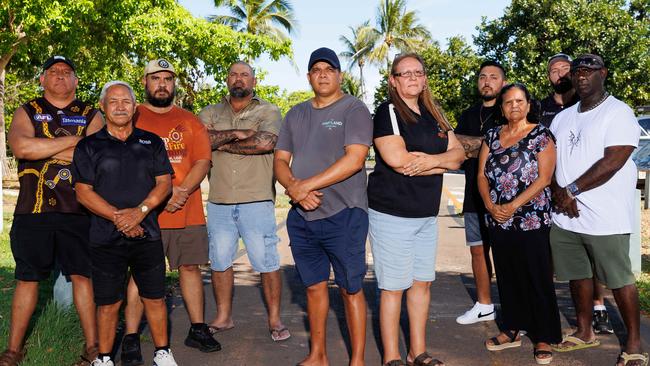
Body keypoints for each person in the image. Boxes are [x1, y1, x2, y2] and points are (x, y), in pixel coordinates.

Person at [274, 47, 372, 366]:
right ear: (308, 77)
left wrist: (305, 186)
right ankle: (318, 355)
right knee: (314, 288)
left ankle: (356, 360)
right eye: (316, 69)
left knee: (350, 289)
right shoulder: (295, 114)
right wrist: (294, 189)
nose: (323, 74)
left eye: (329, 69)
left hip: (345, 214)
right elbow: (280, 160)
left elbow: (355, 160)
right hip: (303, 218)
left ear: (339, 75)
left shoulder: (353, 108)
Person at [2, 55, 102, 366]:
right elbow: (22, 148)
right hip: (33, 210)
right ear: (42, 80)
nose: (60, 76)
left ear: (75, 81)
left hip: (80, 210)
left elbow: (96, 157)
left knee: (82, 277)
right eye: (53, 72)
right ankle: (14, 350)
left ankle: (93, 347)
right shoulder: (27, 110)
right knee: (27, 278)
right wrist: (76, 142)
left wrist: (44, 147)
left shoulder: (91, 113)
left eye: (67, 72)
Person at [367, 53, 464, 366]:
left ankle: (417, 352)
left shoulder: (434, 113)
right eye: (404, 73)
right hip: (392, 215)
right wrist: (442, 164)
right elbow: (398, 161)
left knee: (422, 284)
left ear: (424, 78)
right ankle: (392, 357)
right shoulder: (389, 112)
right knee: (393, 288)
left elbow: (459, 155)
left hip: (425, 214)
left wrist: (433, 162)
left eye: (417, 72)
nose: (411, 78)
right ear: (393, 80)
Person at [549, 54, 645, 366]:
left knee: (618, 279)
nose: (581, 77)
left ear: (603, 73)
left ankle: (633, 343)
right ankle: (584, 331)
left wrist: (571, 190)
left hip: (605, 216)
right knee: (577, 276)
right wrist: (557, 193)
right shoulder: (563, 117)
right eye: (577, 72)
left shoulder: (618, 112)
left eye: (589, 71)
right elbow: (548, 159)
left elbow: (614, 160)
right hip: (566, 215)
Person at [120, 59, 219, 365]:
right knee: (140, 274)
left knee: (190, 268)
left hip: (186, 211)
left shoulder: (190, 120)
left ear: (174, 83)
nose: (162, 84)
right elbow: (123, 161)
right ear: (145, 82)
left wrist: (182, 191)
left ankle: (198, 328)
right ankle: (132, 337)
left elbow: (202, 160)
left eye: (167, 79)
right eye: (156, 78)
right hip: (146, 214)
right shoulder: (131, 118)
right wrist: (161, 195)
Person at [72, 81, 177, 366]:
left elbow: (164, 183)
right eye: (113, 101)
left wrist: (139, 212)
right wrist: (121, 218)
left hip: (148, 235)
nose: (120, 106)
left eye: (126, 101)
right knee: (108, 302)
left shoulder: (151, 142)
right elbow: (83, 192)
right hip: (105, 237)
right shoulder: (88, 146)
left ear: (134, 107)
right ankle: (104, 358)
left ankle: (162, 353)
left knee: (154, 297)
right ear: (104, 107)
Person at [198, 61, 290, 342]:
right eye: (233, 74)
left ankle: (274, 319)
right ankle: (224, 317)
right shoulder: (209, 112)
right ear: (227, 78)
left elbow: (265, 143)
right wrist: (240, 135)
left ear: (254, 80)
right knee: (220, 261)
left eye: (244, 75)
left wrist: (220, 142)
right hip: (220, 201)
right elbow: (201, 141)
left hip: (257, 199)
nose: (239, 79)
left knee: (267, 262)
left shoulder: (269, 110)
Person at [477, 83, 561, 365]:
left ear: (528, 104)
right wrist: (491, 206)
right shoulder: (491, 135)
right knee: (508, 274)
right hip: (498, 219)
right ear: (501, 107)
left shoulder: (541, 134)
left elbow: (544, 179)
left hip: (532, 218)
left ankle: (543, 335)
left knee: (536, 276)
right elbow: (481, 175)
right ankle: (511, 328)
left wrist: (512, 206)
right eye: (508, 101)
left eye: (519, 101)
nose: (514, 105)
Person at [539, 53, 613, 334]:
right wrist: (557, 190)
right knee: (558, 254)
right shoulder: (540, 107)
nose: (559, 74)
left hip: (585, 191)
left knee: (593, 256)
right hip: (551, 189)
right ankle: (548, 311)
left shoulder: (586, 104)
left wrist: (572, 191)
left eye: (564, 69)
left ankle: (599, 306)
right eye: (553, 69)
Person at [454, 61, 506, 325]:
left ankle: (512, 307)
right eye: (483, 76)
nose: (487, 81)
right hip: (473, 195)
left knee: (506, 252)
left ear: (503, 82)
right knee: (478, 251)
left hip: (506, 198)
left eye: (494, 77)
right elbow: (457, 149)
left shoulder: (510, 111)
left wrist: (475, 146)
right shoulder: (468, 114)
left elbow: (509, 148)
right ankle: (484, 305)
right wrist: (487, 145)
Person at [539, 53, 579, 128]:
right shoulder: (539, 109)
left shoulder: (586, 104)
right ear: (548, 78)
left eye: (565, 68)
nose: (561, 74)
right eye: (554, 71)